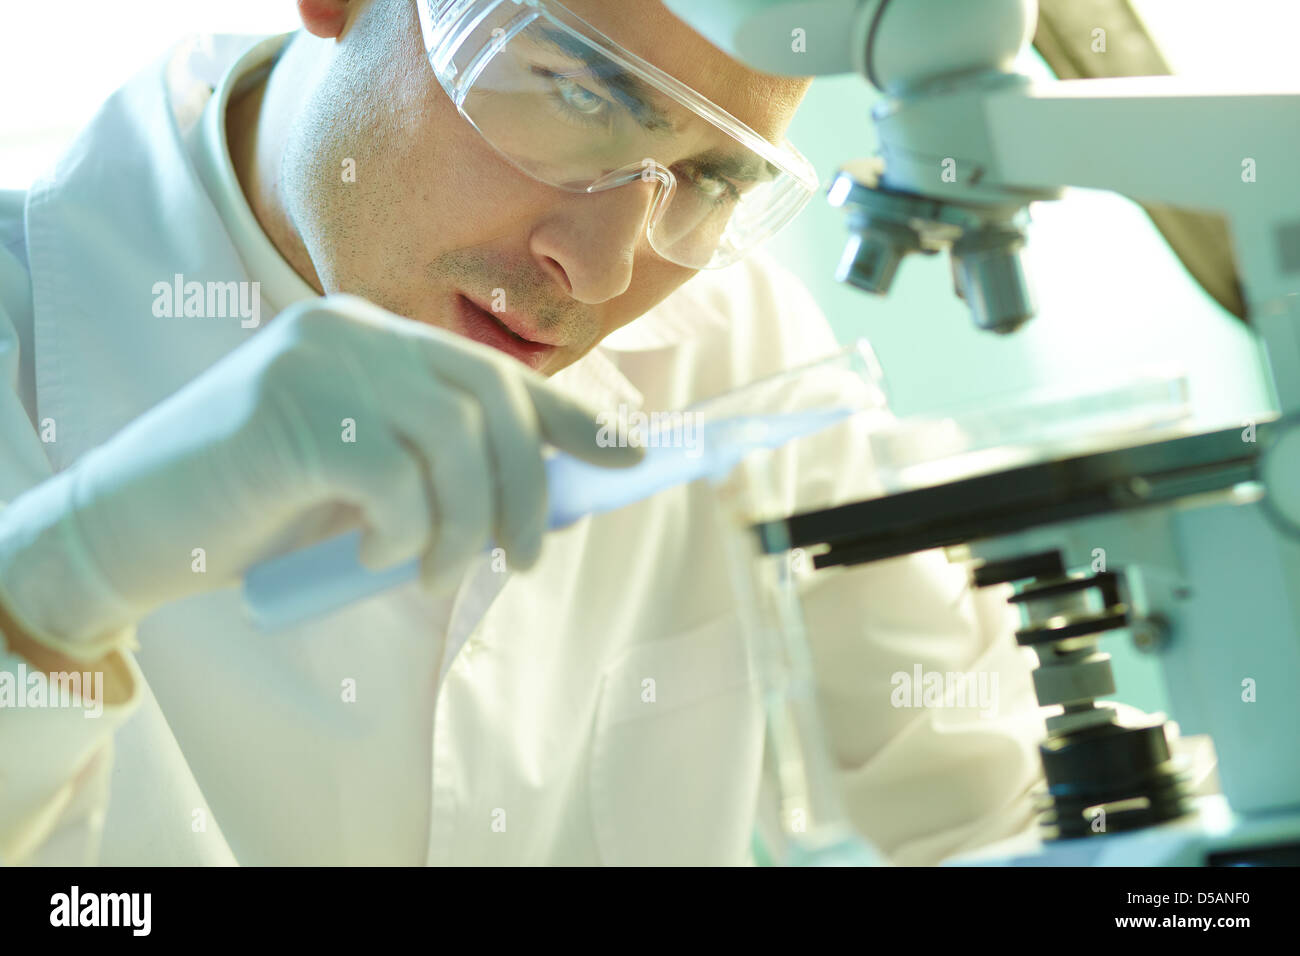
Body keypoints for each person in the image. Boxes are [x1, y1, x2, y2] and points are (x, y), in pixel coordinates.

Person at [0, 0, 1045, 865]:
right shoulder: (24, 328)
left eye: (713, 177)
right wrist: (60, 579)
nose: (601, 269)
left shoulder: (736, 347)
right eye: (578, 94)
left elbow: (978, 813)